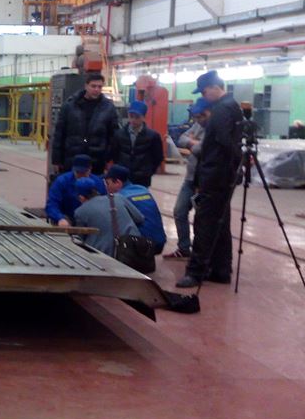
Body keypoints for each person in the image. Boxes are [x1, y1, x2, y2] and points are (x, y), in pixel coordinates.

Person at [176, 71, 244, 288]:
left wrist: (234, 163)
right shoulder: (232, 106)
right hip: (223, 175)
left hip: (215, 175)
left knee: (204, 223)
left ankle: (195, 272)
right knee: (220, 224)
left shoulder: (222, 109)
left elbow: (223, 142)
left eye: (204, 92)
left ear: (215, 87)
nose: (204, 96)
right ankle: (221, 270)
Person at [168, 97, 211, 259]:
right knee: (179, 211)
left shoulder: (214, 127)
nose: (198, 120)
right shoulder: (198, 125)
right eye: (196, 117)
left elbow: (201, 149)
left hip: (205, 181)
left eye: (200, 116)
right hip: (190, 178)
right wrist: (194, 142)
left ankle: (202, 253)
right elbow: (181, 139)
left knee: (202, 219)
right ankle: (184, 248)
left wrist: (192, 143)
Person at [51, 71, 118, 174]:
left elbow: (113, 136)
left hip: (96, 161)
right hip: (72, 159)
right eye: (93, 86)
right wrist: (56, 159)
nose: (96, 89)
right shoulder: (70, 106)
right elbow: (59, 134)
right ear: (86, 86)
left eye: (99, 87)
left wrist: (109, 159)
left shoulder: (108, 108)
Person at [73, 176, 145, 255]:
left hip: (105, 255)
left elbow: (80, 238)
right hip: (134, 248)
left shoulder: (80, 212)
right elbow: (140, 218)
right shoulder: (118, 197)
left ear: (81, 197)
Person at [104, 165, 166, 254]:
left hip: (143, 245)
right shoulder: (143, 189)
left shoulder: (119, 198)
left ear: (118, 182)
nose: (106, 187)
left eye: (108, 183)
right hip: (160, 242)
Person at [107, 100, 164, 187]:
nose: (133, 120)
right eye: (131, 116)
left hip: (143, 178)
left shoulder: (153, 136)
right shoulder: (119, 134)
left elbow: (158, 157)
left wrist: (148, 171)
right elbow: (114, 153)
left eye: (137, 117)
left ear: (143, 117)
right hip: (123, 177)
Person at [45, 153, 107, 227]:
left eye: (83, 172)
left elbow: (104, 204)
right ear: (73, 169)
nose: (81, 175)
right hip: (67, 218)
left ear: (90, 169)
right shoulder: (61, 181)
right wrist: (60, 218)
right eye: (78, 172)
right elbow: (52, 204)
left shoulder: (98, 182)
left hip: (90, 219)